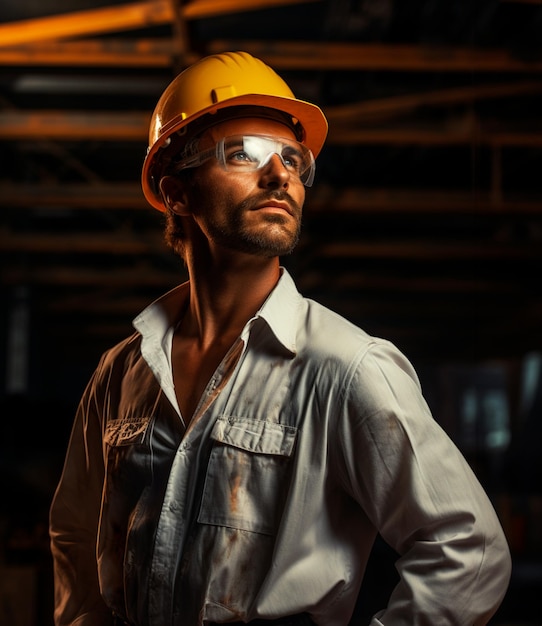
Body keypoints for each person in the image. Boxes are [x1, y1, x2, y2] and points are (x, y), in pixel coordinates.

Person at [49, 51, 512, 626]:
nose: (280, 176)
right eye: (243, 154)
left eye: (293, 159)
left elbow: (469, 550)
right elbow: (74, 533)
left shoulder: (345, 367)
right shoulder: (123, 372)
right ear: (175, 194)